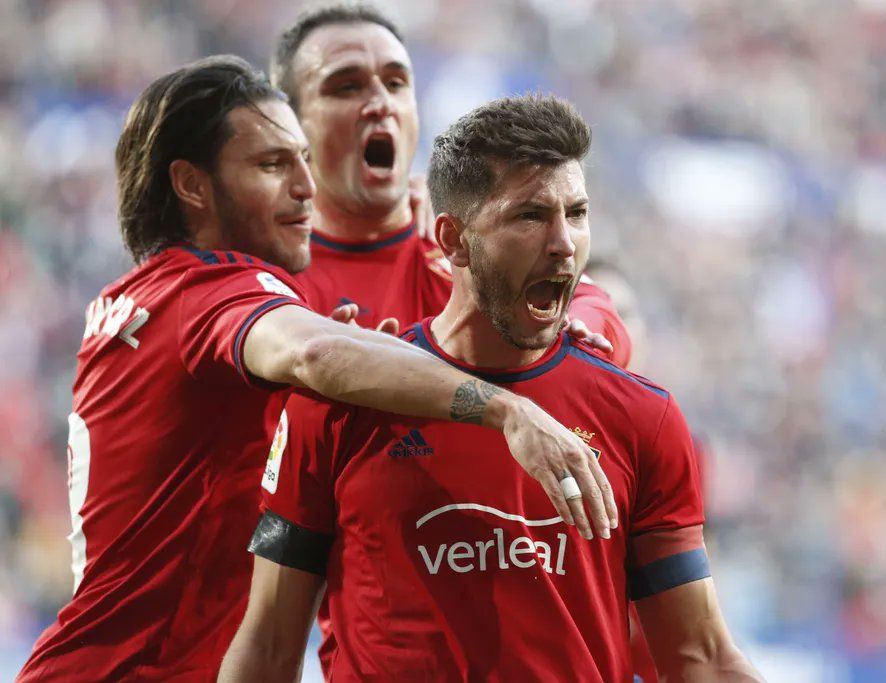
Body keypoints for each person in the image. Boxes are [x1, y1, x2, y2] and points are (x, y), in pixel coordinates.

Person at [17, 58, 616, 683]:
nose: (307, 185)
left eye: (304, 159)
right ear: (193, 186)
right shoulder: (208, 292)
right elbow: (314, 354)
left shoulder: (145, 300)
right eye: (273, 165)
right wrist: (506, 409)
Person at [219, 95, 762, 682]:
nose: (563, 244)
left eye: (576, 213)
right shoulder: (339, 408)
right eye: (529, 216)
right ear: (452, 240)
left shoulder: (641, 417)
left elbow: (700, 658)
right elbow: (270, 647)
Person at [270, 4, 632, 363]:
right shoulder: (268, 268)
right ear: (290, 121)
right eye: (347, 87)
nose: (381, 103)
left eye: (396, 83)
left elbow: (599, 311)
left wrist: (577, 328)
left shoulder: (463, 243)